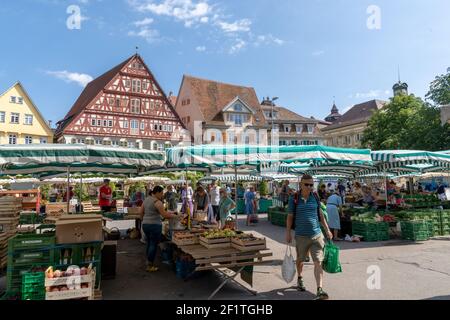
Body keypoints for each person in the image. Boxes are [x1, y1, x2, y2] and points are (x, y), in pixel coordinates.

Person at [286, 174, 333, 300]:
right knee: (300, 260)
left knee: (318, 262)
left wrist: (327, 229)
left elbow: (320, 215)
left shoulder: (315, 197)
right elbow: (290, 216)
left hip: (316, 235)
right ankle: (300, 278)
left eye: (311, 184)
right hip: (301, 236)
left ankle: (319, 289)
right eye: (306, 184)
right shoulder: (294, 198)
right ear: (301, 184)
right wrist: (288, 233)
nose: (309, 187)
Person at [139, 186, 180, 273]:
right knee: (153, 244)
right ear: (157, 192)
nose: (162, 195)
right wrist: (176, 216)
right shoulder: (158, 202)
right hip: (154, 225)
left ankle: (148, 261)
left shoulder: (146, 199)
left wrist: (144, 220)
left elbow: (141, 212)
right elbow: (165, 215)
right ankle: (150, 265)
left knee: (149, 243)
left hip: (145, 225)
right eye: (161, 193)